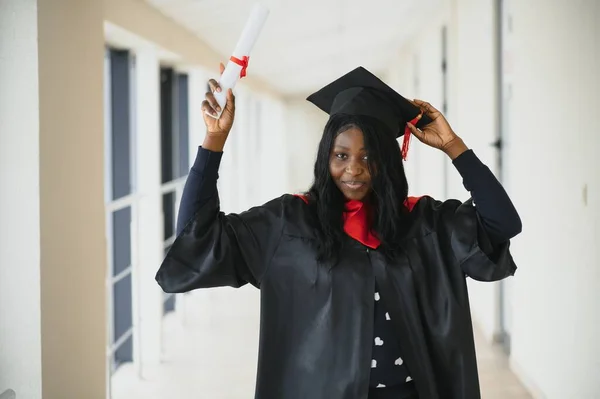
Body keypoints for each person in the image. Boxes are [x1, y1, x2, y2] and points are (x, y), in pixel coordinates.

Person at [155, 65, 522, 399]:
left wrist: (455, 147)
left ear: (389, 161)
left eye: (369, 156)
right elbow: (197, 237)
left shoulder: (424, 222)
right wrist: (213, 141)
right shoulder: (290, 222)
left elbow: (502, 223)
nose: (355, 169)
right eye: (341, 155)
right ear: (325, 157)